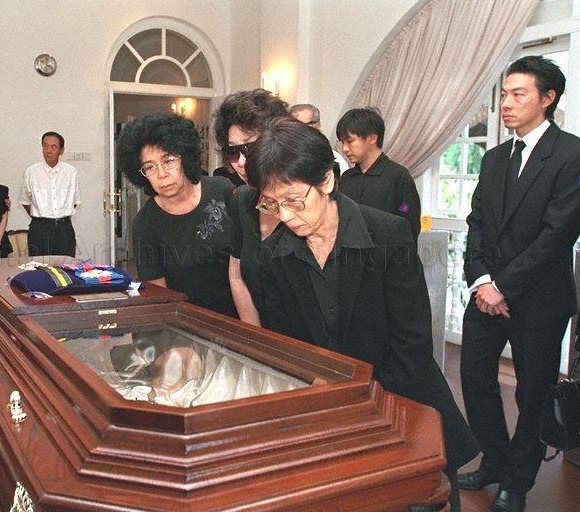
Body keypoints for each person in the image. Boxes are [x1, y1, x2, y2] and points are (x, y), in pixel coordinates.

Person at [247, 117, 478, 512]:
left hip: (404, 407)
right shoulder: (274, 255)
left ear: (326, 181)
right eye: (272, 203)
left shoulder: (387, 235)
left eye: (294, 200)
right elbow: (291, 350)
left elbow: (412, 343)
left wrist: (370, 409)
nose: (284, 215)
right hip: (333, 419)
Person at [458, 56, 580, 512]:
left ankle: (518, 481)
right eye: (504, 94)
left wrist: (503, 287)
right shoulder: (494, 158)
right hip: (486, 294)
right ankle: (494, 459)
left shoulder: (571, 153)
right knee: (474, 380)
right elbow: (476, 224)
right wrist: (482, 281)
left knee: (532, 393)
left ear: (547, 99)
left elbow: (557, 234)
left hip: (540, 299)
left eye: (518, 94)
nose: (506, 104)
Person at [117, 112, 237, 318]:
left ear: (184, 158)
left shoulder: (222, 189)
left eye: (168, 161)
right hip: (189, 321)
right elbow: (159, 295)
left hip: (243, 314)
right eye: (150, 167)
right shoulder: (145, 223)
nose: (162, 174)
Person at [213, 88, 288, 325]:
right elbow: (237, 276)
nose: (242, 162)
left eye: (250, 148)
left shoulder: (305, 201)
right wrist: (254, 336)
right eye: (233, 152)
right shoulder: (243, 200)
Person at [336, 108, 421, 243]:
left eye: (350, 141)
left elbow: (409, 226)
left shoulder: (398, 177)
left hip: (387, 254)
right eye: (342, 142)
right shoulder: (346, 178)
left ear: (372, 138)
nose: (345, 148)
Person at [19, 132, 81, 257]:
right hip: (39, 229)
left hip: (64, 229)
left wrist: (59, 216)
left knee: (65, 266)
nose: (48, 151)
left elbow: (74, 202)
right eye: (45, 146)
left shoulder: (71, 172)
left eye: (53, 147)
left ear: (61, 150)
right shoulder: (31, 172)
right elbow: (25, 202)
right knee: (39, 266)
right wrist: (42, 216)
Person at [289, 103, 350, 172]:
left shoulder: (336, 160)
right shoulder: (282, 157)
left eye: (302, 126)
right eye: (292, 126)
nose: (296, 131)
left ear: (317, 125)